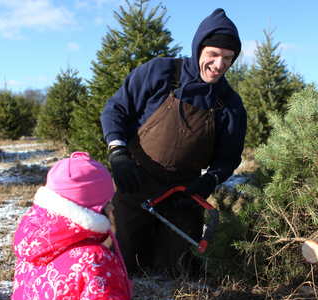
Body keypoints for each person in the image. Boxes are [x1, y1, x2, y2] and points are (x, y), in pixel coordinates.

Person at [101, 8, 247, 277]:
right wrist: (118, 153)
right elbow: (115, 110)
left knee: (179, 270)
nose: (219, 65)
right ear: (198, 47)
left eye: (227, 58)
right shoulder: (161, 72)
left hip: (183, 194)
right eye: (213, 55)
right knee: (122, 264)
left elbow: (228, 158)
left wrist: (208, 181)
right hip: (136, 183)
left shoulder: (229, 104)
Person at [10, 152, 134, 300]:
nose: (112, 208)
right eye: (106, 203)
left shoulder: (31, 247)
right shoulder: (94, 259)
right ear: (88, 207)